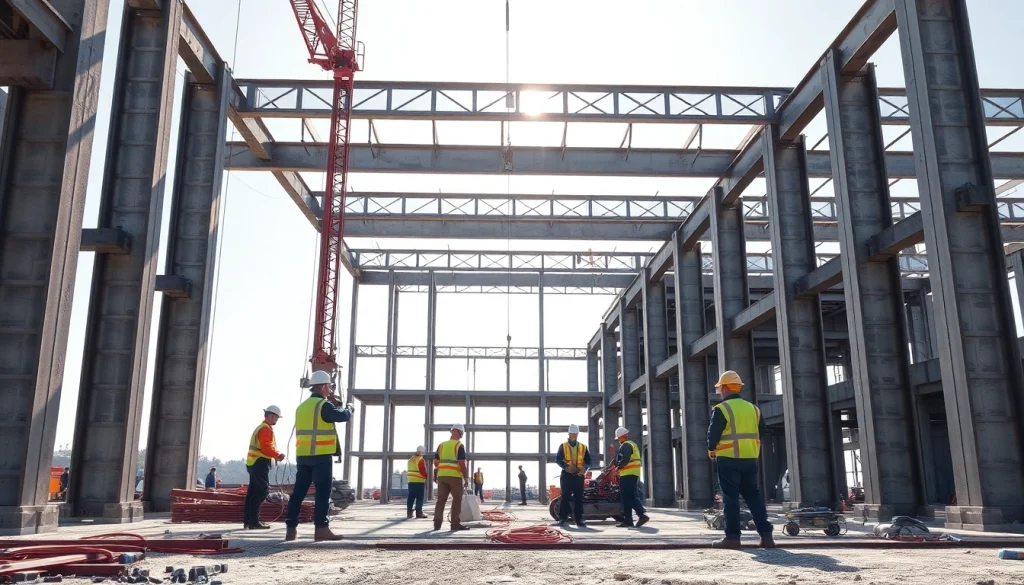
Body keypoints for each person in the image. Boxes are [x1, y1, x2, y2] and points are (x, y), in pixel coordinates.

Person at [707, 370, 774, 549]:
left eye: (720, 388)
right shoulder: (753, 409)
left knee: (730, 498)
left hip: (728, 458)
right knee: (754, 496)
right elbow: (763, 431)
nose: (719, 391)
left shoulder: (722, 409)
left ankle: (733, 538)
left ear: (726, 388)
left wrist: (712, 449)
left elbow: (713, 435)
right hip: (750, 458)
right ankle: (766, 537)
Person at [285, 370, 354, 542]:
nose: (330, 389)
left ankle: (291, 530)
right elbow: (341, 416)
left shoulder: (302, 407)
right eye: (329, 386)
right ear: (322, 386)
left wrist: (332, 404)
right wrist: (349, 408)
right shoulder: (323, 406)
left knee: (298, 493)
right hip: (321, 456)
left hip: (303, 456)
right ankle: (321, 529)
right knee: (323, 493)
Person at [244, 405, 286, 530]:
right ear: (271, 415)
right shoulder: (266, 429)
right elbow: (266, 447)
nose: (277, 420)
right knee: (262, 491)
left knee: (252, 493)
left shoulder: (261, 427)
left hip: (253, 463)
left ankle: (249, 521)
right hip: (259, 463)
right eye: (277, 417)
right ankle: (254, 521)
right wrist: (277, 455)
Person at [432, 423, 471, 531]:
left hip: (442, 476)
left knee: (441, 500)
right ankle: (455, 524)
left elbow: (435, 462)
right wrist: (466, 477)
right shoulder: (459, 445)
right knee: (457, 500)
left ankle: (437, 524)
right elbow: (462, 463)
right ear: (460, 433)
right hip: (455, 477)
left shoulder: (441, 445)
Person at [554, 424, 592, 527]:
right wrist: (566, 467)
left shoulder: (583, 447)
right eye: (572, 434)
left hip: (579, 476)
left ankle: (579, 519)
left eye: (575, 434)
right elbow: (558, 459)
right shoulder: (563, 446)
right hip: (567, 475)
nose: (574, 436)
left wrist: (585, 468)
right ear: (569, 434)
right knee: (565, 497)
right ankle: (562, 518)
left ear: (577, 434)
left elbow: (589, 460)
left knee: (578, 498)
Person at [615, 426, 649, 528]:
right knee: (631, 496)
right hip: (633, 474)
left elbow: (625, 459)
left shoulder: (625, 445)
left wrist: (618, 467)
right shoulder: (632, 444)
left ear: (622, 436)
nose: (618, 440)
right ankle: (630, 519)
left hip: (627, 474)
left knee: (627, 497)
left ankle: (640, 515)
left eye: (619, 438)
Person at [407, 446, 428, 519]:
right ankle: (419, 513)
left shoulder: (410, 459)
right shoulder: (420, 460)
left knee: (411, 497)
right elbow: (423, 471)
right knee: (419, 498)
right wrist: (426, 476)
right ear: (422, 452)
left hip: (411, 481)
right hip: (419, 481)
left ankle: (409, 513)